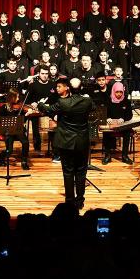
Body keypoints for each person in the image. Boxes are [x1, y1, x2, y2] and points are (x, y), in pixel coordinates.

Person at [29, 78, 95, 209]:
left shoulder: (63, 102)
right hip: (82, 142)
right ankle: (80, 201)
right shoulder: (87, 101)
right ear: (81, 88)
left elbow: (49, 110)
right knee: (81, 172)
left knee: (68, 172)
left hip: (66, 142)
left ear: (68, 88)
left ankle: (69, 202)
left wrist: (39, 104)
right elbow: (93, 108)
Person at [0, 88, 30, 170]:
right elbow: (0, 121)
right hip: (8, 131)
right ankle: (0, 156)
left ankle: (24, 161)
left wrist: (26, 115)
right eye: (17, 97)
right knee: (10, 150)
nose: (18, 99)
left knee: (25, 142)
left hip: (18, 130)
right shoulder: (3, 107)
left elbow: (23, 121)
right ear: (11, 97)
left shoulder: (20, 107)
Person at [103, 81, 133, 165]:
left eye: (121, 92)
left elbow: (129, 115)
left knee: (127, 131)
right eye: (117, 92)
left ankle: (125, 156)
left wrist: (123, 118)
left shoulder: (126, 101)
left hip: (122, 124)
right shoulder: (109, 100)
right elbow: (105, 113)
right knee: (106, 133)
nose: (119, 94)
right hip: (111, 124)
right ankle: (107, 155)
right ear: (113, 91)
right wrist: (107, 118)